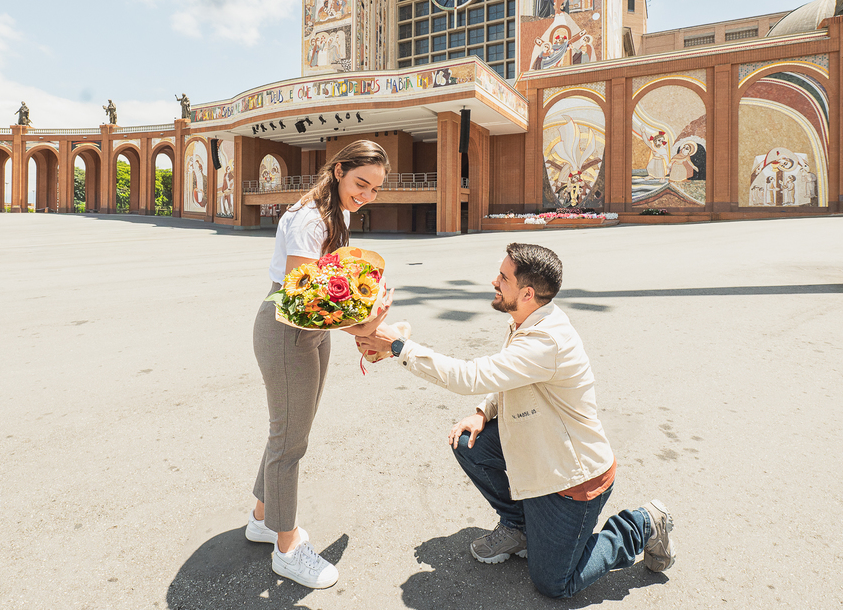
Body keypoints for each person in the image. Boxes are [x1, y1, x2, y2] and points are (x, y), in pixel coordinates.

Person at [354, 243, 675, 599]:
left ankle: (642, 524)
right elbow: (509, 377)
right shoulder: (528, 320)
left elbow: (470, 376)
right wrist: (482, 413)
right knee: (468, 442)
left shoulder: (546, 339)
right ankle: (519, 526)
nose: (494, 281)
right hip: (539, 453)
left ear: (527, 292)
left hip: (571, 482)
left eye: (503, 277)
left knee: (554, 583)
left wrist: (400, 347)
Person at [245, 140, 391, 590]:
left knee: (291, 430)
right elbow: (301, 298)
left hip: (310, 330)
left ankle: (263, 519)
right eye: (360, 183)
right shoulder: (310, 217)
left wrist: (365, 302)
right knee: (290, 443)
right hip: (287, 328)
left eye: (375, 189)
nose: (365, 195)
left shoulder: (337, 211)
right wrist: (367, 327)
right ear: (339, 170)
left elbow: (332, 284)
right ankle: (286, 550)